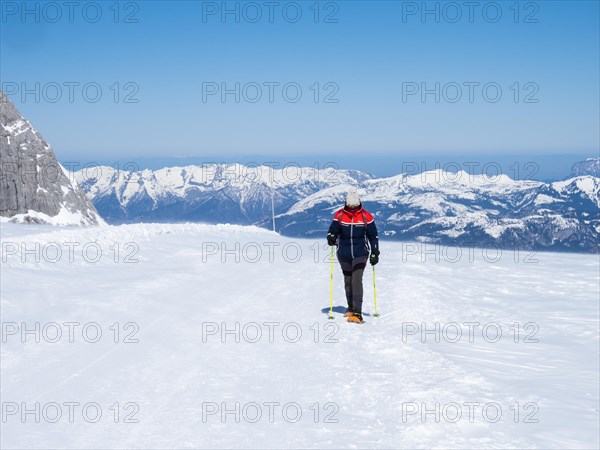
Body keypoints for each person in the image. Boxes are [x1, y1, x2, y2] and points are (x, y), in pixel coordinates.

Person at [327, 190, 380, 323]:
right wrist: (331, 237)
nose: (352, 208)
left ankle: (357, 312)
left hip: (360, 253)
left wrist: (375, 252)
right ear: (346, 203)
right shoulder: (339, 215)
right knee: (348, 281)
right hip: (343, 253)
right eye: (350, 206)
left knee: (356, 280)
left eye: (354, 206)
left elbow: (373, 236)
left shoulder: (366, 216)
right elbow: (332, 231)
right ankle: (350, 307)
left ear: (358, 203)